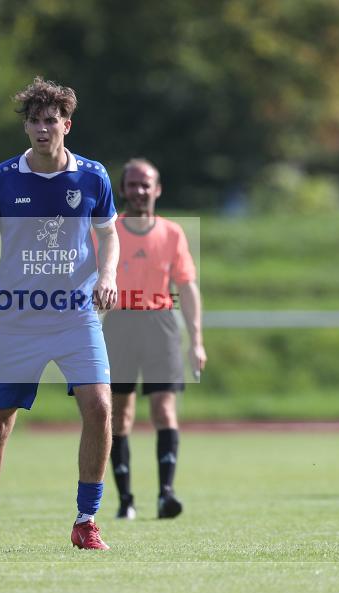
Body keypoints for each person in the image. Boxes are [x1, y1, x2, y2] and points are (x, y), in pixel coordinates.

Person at [0, 76, 120, 552]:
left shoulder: (93, 176)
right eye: (34, 121)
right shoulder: (1, 179)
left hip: (75, 317)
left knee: (100, 406)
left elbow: (109, 234)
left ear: (67, 124)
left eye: (51, 120)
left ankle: (86, 521)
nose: (43, 129)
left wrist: (107, 275)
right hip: (16, 321)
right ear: (25, 128)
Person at [103, 158, 206, 520]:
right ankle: (125, 500)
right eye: (132, 184)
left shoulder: (172, 233)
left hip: (160, 323)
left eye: (146, 184)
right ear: (123, 189)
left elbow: (187, 286)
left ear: (157, 189)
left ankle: (166, 494)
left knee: (164, 409)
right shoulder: (109, 230)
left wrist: (196, 339)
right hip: (119, 323)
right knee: (119, 415)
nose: (139, 191)